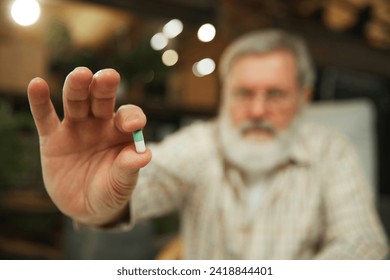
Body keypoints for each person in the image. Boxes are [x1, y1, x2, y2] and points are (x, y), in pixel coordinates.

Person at [27, 29, 388, 259]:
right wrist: (93, 204)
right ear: (225, 95)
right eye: (245, 93)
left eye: (275, 94)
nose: (258, 110)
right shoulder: (201, 145)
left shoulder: (332, 150)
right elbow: (144, 182)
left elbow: (365, 246)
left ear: (304, 97)